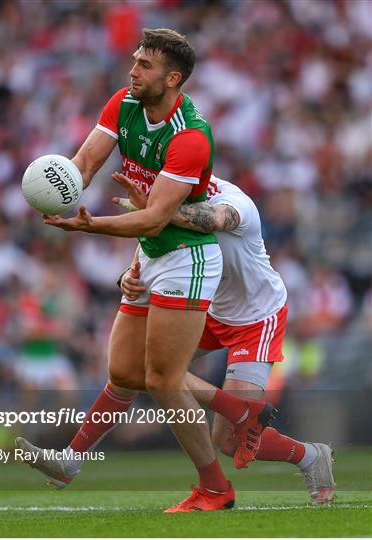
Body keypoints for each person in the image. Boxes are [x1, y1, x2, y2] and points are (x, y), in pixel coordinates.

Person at [16, 28, 276, 513]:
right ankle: (72, 460)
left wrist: (89, 227)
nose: (132, 70)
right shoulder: (124, 103)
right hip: (149, 253)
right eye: (135, 61)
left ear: (173, 78)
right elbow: (86, 161)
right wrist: (65, 188)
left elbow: (157, 216)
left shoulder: (192, 137)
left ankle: (215, 489)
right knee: (123, 372)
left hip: (187, 258)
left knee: (161, 378)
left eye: (145, 65)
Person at [113, 172, 336, 505]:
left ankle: (309, 456)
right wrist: (126, 279)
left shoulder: (232, 203)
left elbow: (213, 220)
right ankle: (239, 430)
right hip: (211, 312)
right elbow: (150, 258)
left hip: (256, 317)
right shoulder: (169, 199)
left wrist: (155, 211)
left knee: (228, 441)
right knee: (145, 368)